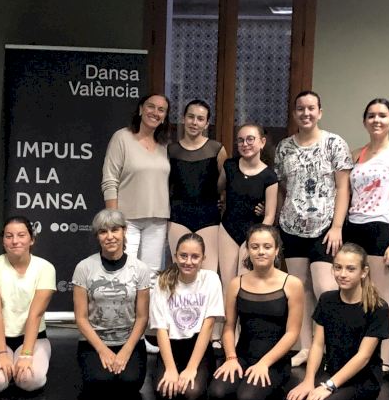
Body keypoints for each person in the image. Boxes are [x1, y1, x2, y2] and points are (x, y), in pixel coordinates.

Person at [273, 90, 352, 367]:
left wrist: (337, 226)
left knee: (325, 289)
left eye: (311, 108)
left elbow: (343, 188)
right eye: (300, 109)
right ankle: (306, 348)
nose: (306, 113)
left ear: (320, 112)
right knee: (300, 290)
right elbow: (281, 187)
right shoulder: (284, 148)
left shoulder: (334, 144)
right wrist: (279, 219)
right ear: (294, 113)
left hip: (325, 229)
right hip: (292, 228)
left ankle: (333, 350)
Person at [343, 98, 389, 378]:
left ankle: (385, 358)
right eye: (371, 115)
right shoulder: (355, 154)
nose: (376, 120)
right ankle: (360, 356)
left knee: (382, 297)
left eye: (382, 115)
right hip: (353, 228)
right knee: (357, 295)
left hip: (382, 229)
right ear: (364, 121)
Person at [285, 243, 388, 400]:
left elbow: (363, 357)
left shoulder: (377, 307)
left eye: (350, 269)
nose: (342, 274)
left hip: (362, 379)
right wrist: (308, 380)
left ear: (363, 272)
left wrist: (329, 386)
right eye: (338, 267)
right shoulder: (327, 300)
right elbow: (318, 344)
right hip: (333, 372)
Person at [212, 224, 304, 400]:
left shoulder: (292, 284)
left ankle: (277, 386)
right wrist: (231, 358)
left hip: (274, 361)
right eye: (255, 247)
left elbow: (292, 333)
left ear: (276, 250)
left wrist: (264, 363)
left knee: (247, 398)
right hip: (242, 357)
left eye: (267, 247)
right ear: (248, 250)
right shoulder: (236, 284)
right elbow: (229, 327)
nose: (261, 251)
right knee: (218, 393)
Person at [73, 208, 152, 392]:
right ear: (97, 236)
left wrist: (126, 350)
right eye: (103, 231)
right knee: (99, 382)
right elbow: (81, 318)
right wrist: (102, 350)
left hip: (129, 341)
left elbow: (142, 317)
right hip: (94, 341)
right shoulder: (84, 268)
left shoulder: (140, 269)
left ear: (124, 231)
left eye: (115, 230)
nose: (110, 237)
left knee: (130, 383)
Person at [0, 216, 55, 394]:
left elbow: (35, 314)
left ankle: (20, 362)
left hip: (33, 338)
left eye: (21, 235)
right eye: (9, 236)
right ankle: (4, 363)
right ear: (3, 240)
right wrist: (1, 354)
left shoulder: (45, 268)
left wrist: (26, 355)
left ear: (31, 239)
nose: (15, 241)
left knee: (30, 381)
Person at [101, 93, 171, 278]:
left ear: (164, 116)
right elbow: (110, 180)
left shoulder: (164, 145)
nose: (155, 112)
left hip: (157, 220)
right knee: (123, 273)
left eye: (161, 110)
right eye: (151, 106)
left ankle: (146, 301)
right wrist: (114, 221)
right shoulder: (122, 138)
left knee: (151, 276)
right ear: (141, 109)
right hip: (127, 220)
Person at [150, 233, 224, 400]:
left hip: (197, 346)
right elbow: (161, 328)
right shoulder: (162, 281)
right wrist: (170, 369)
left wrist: (191, 368)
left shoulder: (211, 279)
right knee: (164, 391)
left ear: (203, 258)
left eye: (195, 256)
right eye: (183, 256)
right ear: (175, 256)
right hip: (171, 347)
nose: (188, 261)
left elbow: (208, 327)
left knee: (192, 392)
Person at [167, 100, 226, 274]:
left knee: (208, 273)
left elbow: (226, 184)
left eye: (200, 119)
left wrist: (223, 202)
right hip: (178, 215)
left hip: (208, 216)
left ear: (206, 123)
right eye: (191, 117)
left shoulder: (216, 149)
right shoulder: (171, 150)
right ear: (183, 119)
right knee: (179, 272)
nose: (194, 122)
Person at [217, 122, 278, 282]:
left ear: (262, 142)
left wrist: (256, 239)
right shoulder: (229, 166)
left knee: (245, 282)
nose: (245, 144)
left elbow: (270, 215)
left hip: (253, 233)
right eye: (241, 140)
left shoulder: (269, 176)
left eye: (250, 139)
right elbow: (218, 190)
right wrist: (221, 201)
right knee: (228, 283)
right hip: (228, 230)